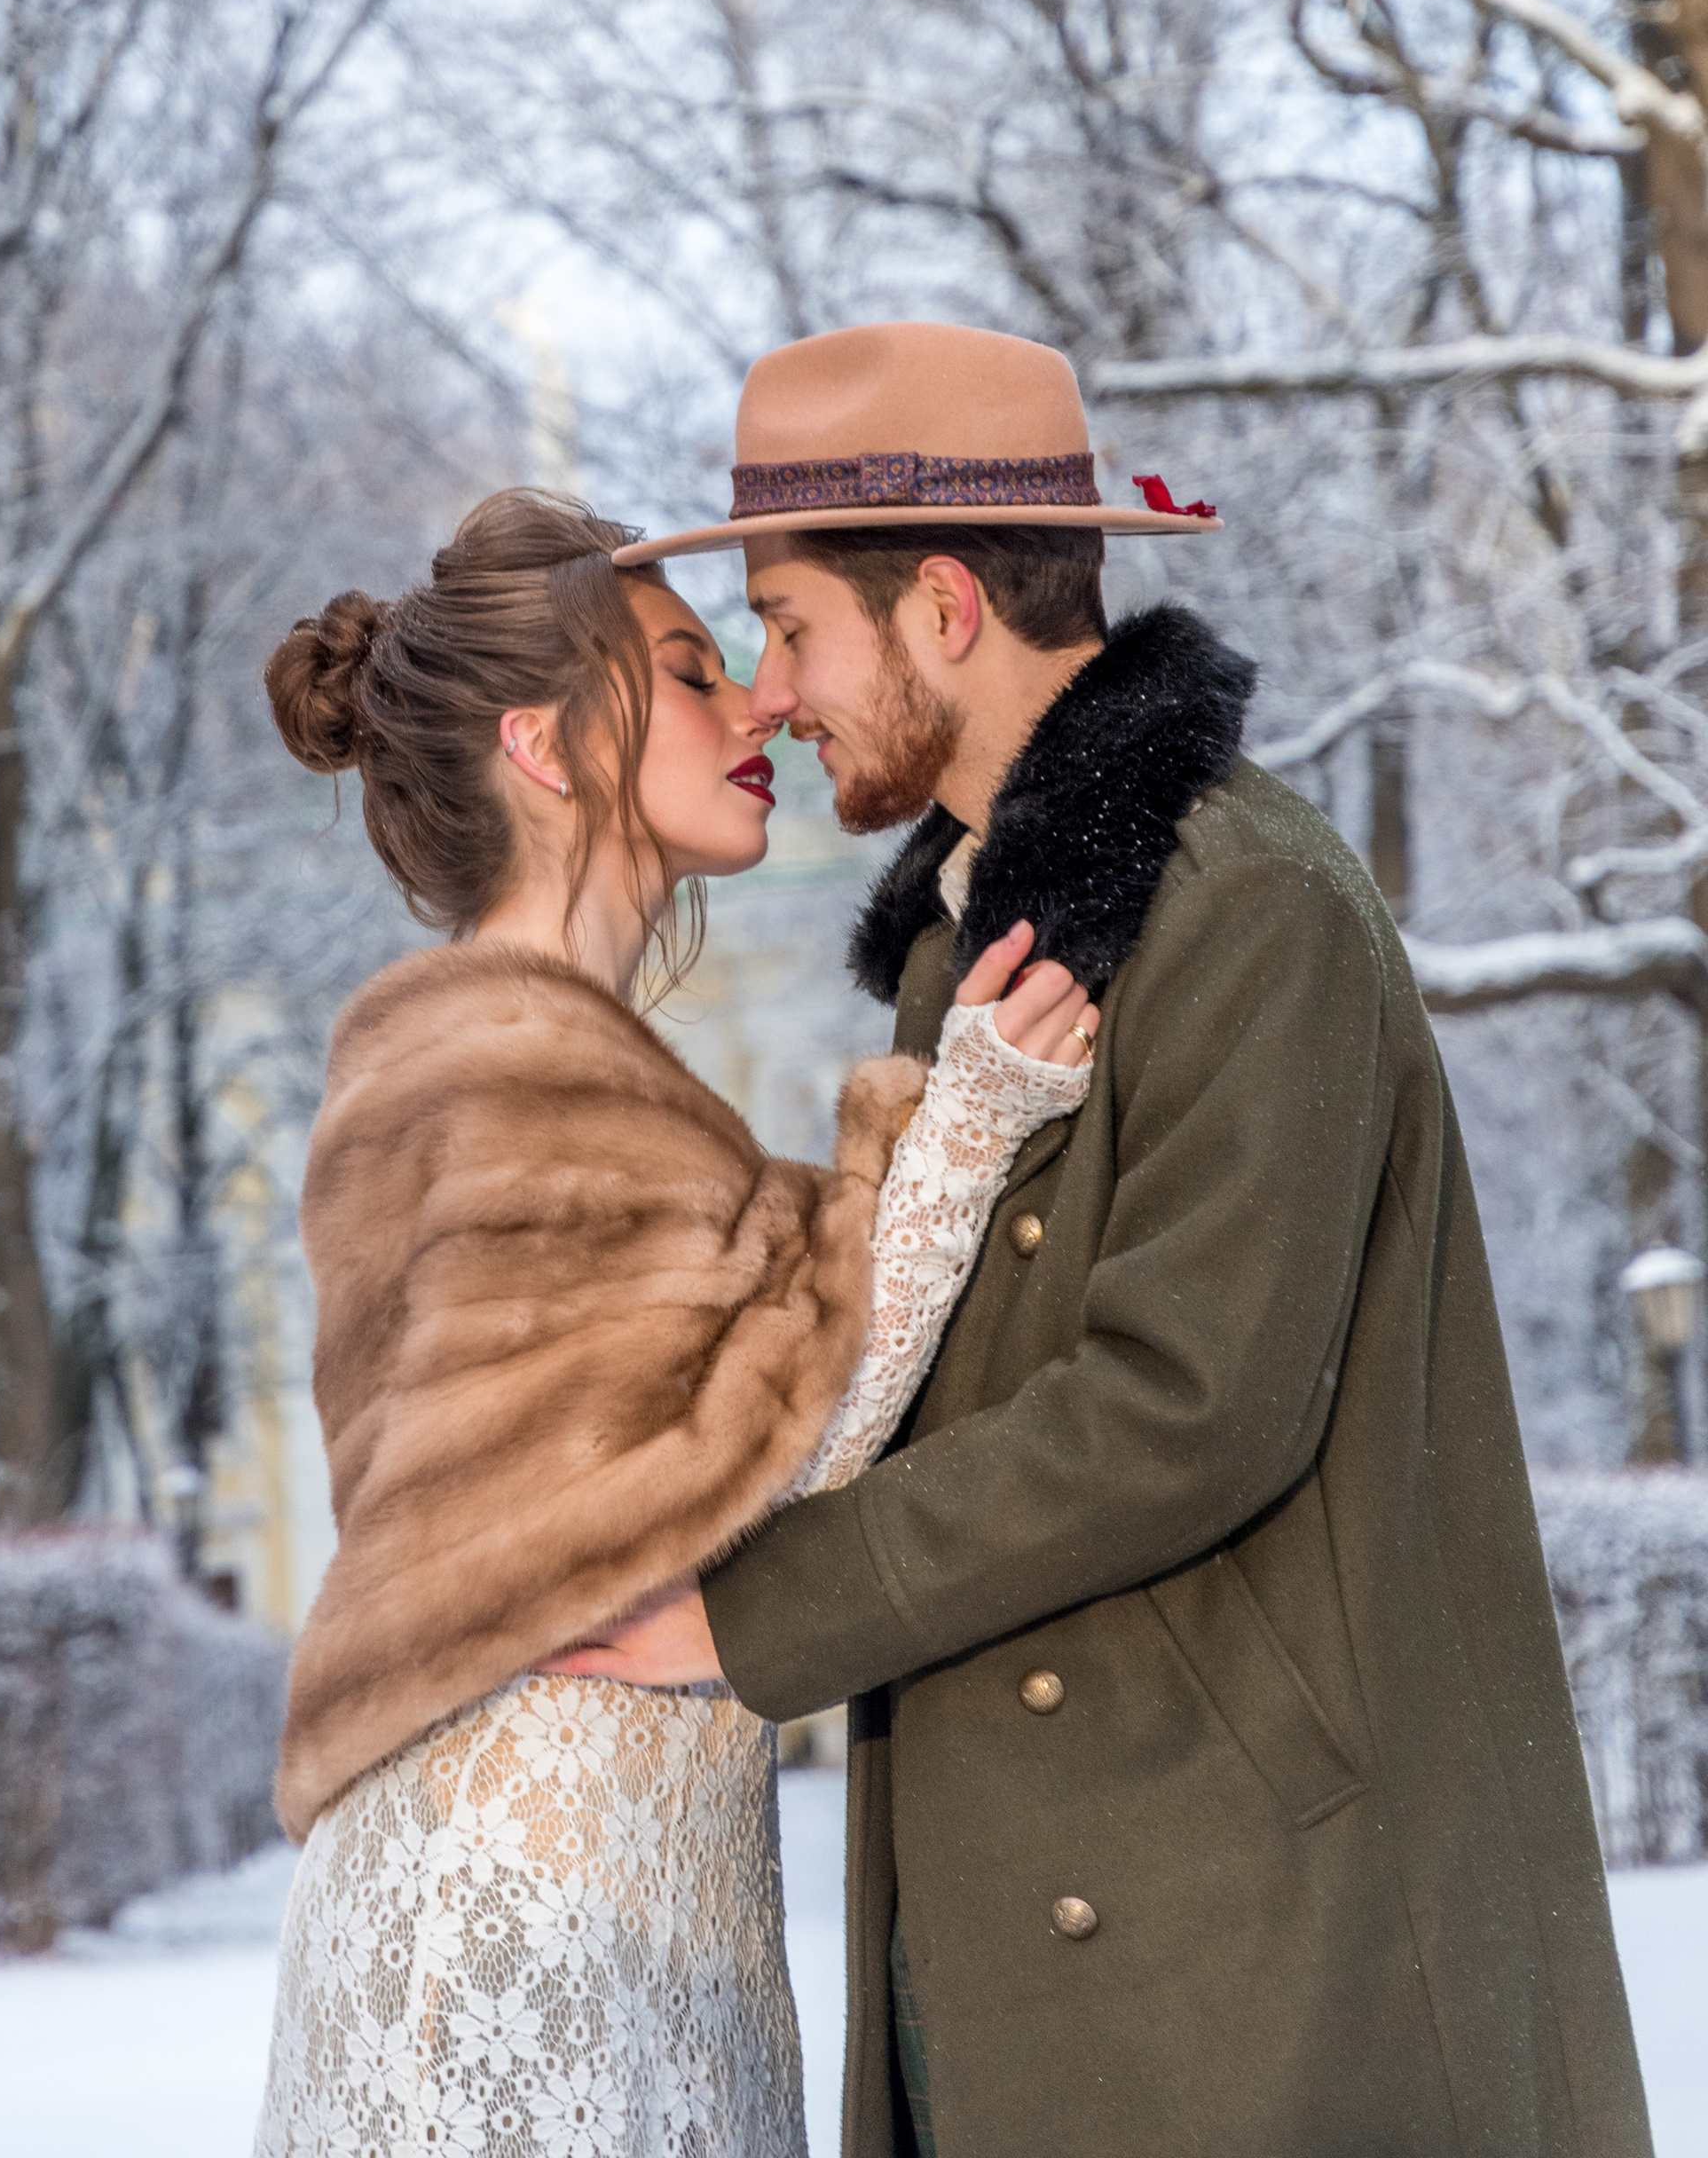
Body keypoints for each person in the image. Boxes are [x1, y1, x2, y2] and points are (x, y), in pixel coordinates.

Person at [566, 319, 1650, 2158]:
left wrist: (747, 1617)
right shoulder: (965, 942)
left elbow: (1186, 1404)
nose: (768, 691)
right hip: (1037, 1902)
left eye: (787, 626)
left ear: (937, 611)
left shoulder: (1246, 903)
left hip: (1251, 1940)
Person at [251, 485, 1101, 2156]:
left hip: (628, 1895)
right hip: (515, 1917)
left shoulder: (550, 1057)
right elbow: (763, 1462)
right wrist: (967, 1130)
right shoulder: (495, 1064)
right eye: (691, 672)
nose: (759, 705)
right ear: (548, 750)